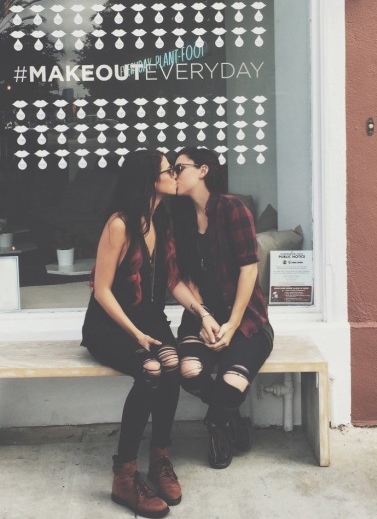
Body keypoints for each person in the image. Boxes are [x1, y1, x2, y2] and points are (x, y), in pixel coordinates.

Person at [81, 149, 218, 518]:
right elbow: (102, 290)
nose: (175, 175)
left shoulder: (161, 220)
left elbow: (172, 281)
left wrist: (202, 313)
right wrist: (135, 333)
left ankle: (160, 459)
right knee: (151, 370)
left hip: (149, 319)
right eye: (169, 170)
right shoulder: (120, 225)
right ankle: (124, 476)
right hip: (110, 325)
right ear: (149, 180)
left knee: (171, 364)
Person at [171, 147, 274, 470]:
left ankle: (216, 424)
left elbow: (248, 269)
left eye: (179, 168)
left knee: (233, 382)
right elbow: (181, 278)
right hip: (200, 317)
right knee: (189, 372)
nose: (174, 174)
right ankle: (233, 417)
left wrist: (231, 324)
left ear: (203, 170)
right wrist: (203, 315)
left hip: (246, 320)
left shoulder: (232, 209)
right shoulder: (178, 216)